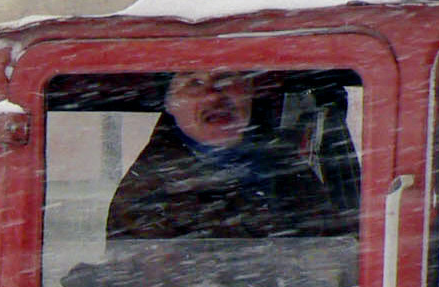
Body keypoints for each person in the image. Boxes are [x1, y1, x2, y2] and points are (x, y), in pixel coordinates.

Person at [105, 70, 350, 241]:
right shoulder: (148, 193)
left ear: (250, 89)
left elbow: (334, 260)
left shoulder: (289, 170)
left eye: (226, 77)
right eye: (193, 83)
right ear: (170, 103)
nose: (213, 95)